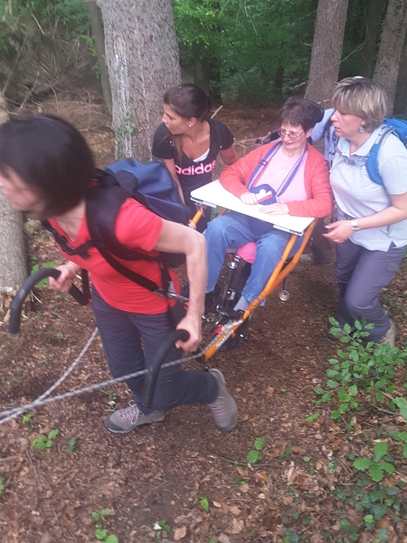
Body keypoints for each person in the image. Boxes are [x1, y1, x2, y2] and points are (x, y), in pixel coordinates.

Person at [0, 114, 237, 434]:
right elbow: (89, 245)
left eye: (8, 174)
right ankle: (148, 408)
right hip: (108, 302)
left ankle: (210, 386)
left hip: (155, 305)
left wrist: (194, 316)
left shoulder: (125, 219)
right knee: (124, 370)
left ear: (46, 178)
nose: (1, 181)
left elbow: (195, 243)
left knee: (164, 388)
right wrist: (72, 265)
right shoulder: (49, 211)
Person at [204, 97, 332, 348]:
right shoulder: (265, 151)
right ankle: (205, 290)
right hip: (248, 220)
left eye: (294, 133)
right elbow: (230, 174)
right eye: (283, 131)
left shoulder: (315, 162)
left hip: (281, 229)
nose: (286, 137)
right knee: (216, 228)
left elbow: (324, 203)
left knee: (272, 249)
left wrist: (288, 207)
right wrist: (243, 193)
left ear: (308, 132)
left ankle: (242, 309)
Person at [323, 77, 407, 346]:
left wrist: (352, 226)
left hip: (383, 238)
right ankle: (347, 323)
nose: (334, 118)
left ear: (364, 118)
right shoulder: (342, 140)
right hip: (349, 227)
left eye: (342, 113)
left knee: (359, 298)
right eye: (335, 110)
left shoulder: (390, 152)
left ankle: (382, 332)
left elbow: (405, 208)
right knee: (343, 278)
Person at [152, 84, 239, 232]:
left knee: (201, 239)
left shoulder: (218, 131)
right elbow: (172, 180)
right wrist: (181, 215)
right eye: (164, 113)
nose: (163, 119)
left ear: (191, 121)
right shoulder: (164, 136)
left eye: (170, 117)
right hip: (173, 200)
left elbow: (234, 161)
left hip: (203, 201)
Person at [300, 107, 336, 266]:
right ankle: (321, 252)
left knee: (316, 208)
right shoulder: (329, 115)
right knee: (316, 208)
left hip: (346, 176)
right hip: (330, 172)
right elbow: (307, 137)